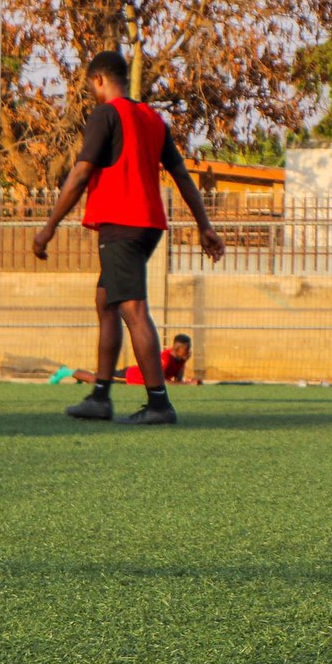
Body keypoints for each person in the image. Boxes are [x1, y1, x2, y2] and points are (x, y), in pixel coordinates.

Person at [33, 52, 224, 424]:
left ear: (99, 80)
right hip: (148, 224)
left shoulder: (106, 114)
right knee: (106, 302)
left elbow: (82, 171)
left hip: (120, 223)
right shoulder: (152, 118)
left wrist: (49, 226)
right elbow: (182, 176)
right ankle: (100, 397)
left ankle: (158, 404)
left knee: (132, 310)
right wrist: (205, 226)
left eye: (91, 85)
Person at [50, 334, 196, 386]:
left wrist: (183, 379)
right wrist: (186, 385)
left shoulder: (180, 359)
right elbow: (162, 382)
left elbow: (176, 380)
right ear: (177, 348)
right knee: (99, 380)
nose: (189, 352)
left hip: (133, 376)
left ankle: (77, 377)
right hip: (129, 377)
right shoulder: (164, 358)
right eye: (187, 349)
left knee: (99, 378)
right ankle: (66, 371)